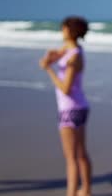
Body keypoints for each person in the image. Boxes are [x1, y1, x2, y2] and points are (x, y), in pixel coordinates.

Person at [39, 16, 92, 196]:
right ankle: (86, 190)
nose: (61, 31)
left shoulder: (74, 56)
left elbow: (65, 88)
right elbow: (57, 54)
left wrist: (48, 69)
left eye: (63, 28)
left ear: (69, 30)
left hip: (69, 108)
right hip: (80, 106)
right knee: (81, 153)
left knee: (71, 158)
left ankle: (72, 192)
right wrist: (51, 57)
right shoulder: (74, 50)